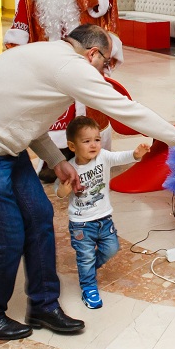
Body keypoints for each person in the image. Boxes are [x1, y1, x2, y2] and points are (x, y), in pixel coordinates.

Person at [0, 24, 175, 341]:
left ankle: (43, 306)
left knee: (39, 217)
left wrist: (56, 161)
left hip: (0, 143)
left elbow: (27, 118)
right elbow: (125, 109)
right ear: (93, 54)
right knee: (7, 236)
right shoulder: (71, 66)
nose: (105, 72)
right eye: (106, 63)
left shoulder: (49, 55)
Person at [4, 0, 122, 181]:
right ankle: (54, 157)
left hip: (86, 49)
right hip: (48, 50)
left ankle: (92, 156)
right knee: (51, 102)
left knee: (88, 100)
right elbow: (24, 8)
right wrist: (17, 41)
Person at [53, 116, 150, 310]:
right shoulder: (69, 168)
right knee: (85, 256)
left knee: (112, 248)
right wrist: (64, 189)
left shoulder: (103, 156)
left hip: (104, 218)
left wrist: (135, 154)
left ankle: (87, 268)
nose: (94, 145)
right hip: (81, 224)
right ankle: (88, 287)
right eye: (86, 141)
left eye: (97, 139)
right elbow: (59, 191)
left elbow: (120, 157)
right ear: (72, 146)